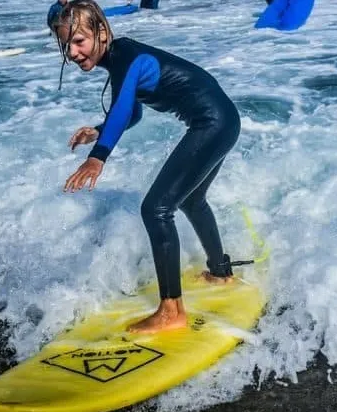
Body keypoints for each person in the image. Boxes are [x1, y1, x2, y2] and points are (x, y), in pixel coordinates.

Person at [52, 0, 241, 334]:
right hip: (221, 120)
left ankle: (172, 311)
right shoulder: (120, 62)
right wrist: (99, 129)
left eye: (78, 42)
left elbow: (124, 112)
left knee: (156, 209)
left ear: (102, 30)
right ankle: (220, 272)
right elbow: (132, 111)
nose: (74, 54)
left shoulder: (127, 56)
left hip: (212, 122)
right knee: (192, 200)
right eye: (67, 47)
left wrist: (98, 155)